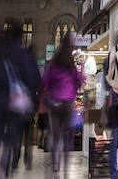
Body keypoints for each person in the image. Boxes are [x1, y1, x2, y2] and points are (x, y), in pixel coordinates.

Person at [0, 21, 40, 179]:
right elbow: (30, 78)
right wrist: (32, 101)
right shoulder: (22, 54)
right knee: (11, 137)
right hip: (14, 102)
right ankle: (4, 167)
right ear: (20, 37)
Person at [40, 33, 84, 178]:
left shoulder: (54, 62)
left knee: (55, 136)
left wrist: (52, 90)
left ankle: (56, 169)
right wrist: (81, 68)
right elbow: (78, 82)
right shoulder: (70, 64)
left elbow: (45, 82)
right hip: (67, 103)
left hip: (54, 103)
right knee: (67, 137)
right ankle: (66, 170)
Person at [104, 28, 118, 179]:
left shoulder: (109, 54)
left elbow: (106, 80)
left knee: (115, 138)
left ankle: (114, 173)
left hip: (113, 99)